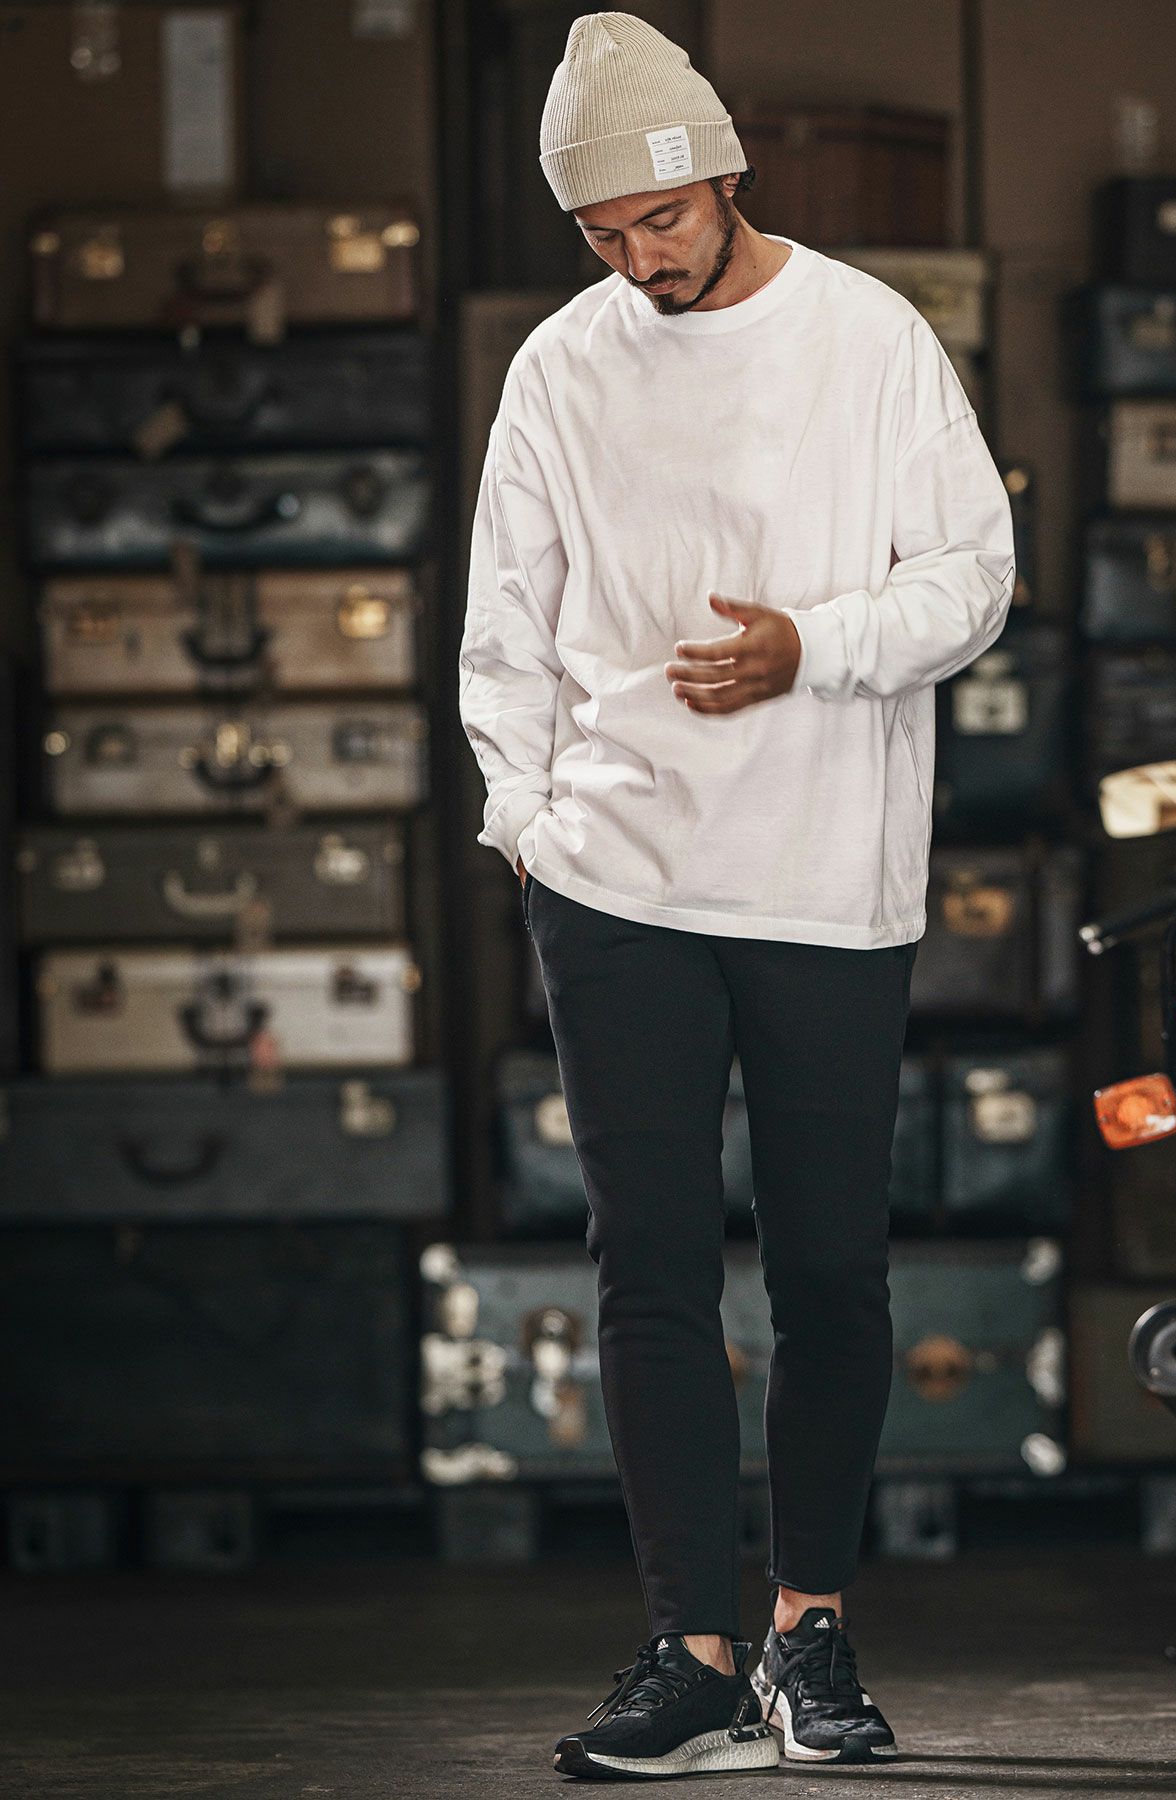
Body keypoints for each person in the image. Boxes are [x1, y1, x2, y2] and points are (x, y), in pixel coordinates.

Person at [459, 11, 1015, 1780]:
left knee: (832, 1270)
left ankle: (809, 1635)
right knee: (650, 1269)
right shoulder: (561, 367)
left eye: (661, 220)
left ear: (723, 171)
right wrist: (525, 818)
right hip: (615, 874)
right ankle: (690, 1658)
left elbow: (976, 575)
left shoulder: (869, 338)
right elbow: (506, 615)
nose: (640, 261)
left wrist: (812, 647)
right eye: (603, 235)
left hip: (825, 873)